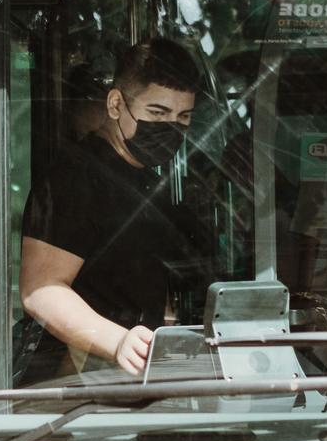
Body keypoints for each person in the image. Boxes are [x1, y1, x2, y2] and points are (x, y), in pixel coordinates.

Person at [18, 38, 213, 380]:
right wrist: (119, 341)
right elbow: (40, 289)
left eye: (183, 117)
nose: (171, 127)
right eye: (157, 112)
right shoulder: (76, 178)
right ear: (115, 104)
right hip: (79, 381)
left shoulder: (143, 180)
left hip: (128, 375)